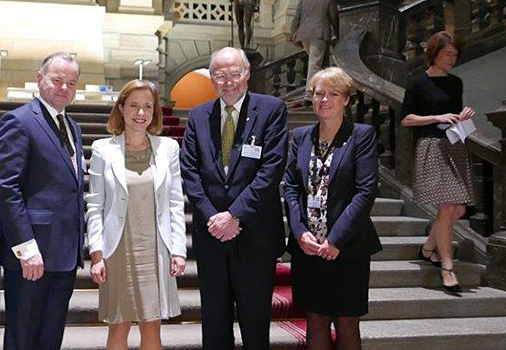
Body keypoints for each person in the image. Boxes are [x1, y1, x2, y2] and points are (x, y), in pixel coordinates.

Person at [180, 47, 288, 350]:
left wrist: (235, 215)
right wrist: (214, 217)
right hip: (211, 235)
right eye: (220, 75)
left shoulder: (271, 110)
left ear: (247, 74)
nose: (228, 82)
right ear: (211, 78)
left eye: (234, 74)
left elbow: (271, 169)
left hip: (254, 235)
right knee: (214, 324)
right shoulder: (199, 115)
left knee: (255, 325)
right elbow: (189, 171)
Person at [283, 67, 381, 350]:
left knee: (347, 322)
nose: (324, 99)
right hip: (308, 248)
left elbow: (365, 192)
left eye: (333, 93)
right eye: (319, 93)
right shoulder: (301, 136)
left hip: (348, 247)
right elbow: (291, 187)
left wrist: (336, 240)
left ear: (346, 100)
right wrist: (300, 233)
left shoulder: (361, 135)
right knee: (315, 320)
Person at [0, 52, 86, 350]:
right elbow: (7, 188)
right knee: (23, 336)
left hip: (64, 252)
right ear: (39, 78)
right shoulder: (19, 121)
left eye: (71, 83)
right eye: (57, 80)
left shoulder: (72, 127)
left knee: (50, 337)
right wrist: (25, 248)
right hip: (32, 254)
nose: (64, 88)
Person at [86, 79, 187, 350]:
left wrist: (178, 250)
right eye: (133, 106)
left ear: (154, 112)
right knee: (118, 325)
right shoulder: (102, 149)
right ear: (121, 108)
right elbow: (95, 205)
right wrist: (96, 254)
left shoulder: (168, 148)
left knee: (151, 326)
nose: (140, 113)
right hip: (117, 249)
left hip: (155, 248)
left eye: (147, 106)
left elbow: (175, 203)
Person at [400, 31, 475, 293]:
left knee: (458, 210)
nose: (452, 59)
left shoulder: (456, 83)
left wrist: (463, 116)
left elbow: (455, 116)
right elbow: (406, 119)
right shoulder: (417, 83)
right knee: (447, 207)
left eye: (455, 55)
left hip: (454, 145)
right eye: (447, 54)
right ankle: (447, 267)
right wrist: (436, 117)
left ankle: (429, 247)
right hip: (430, 146)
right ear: (434, 53)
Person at [290, 0, 339, 101]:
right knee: (315, 65)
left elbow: (296, 18)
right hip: (319, 33)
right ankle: (309, 95)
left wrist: (293, 34)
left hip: (304, 35)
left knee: (323, 67)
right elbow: (334, 17)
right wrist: (338, 34)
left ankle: (323, 92)